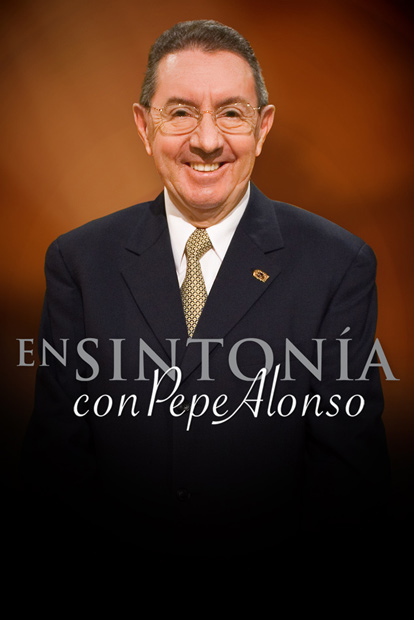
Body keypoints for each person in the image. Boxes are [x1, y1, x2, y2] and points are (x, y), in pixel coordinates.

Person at [22, 20, 390, 559]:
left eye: (231, 113)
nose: (207, 140)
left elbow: (349, 492)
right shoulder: (78, 262)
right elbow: (56, 477)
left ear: (262, 128)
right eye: (181, 112)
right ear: (143, 125)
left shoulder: (338, 266)